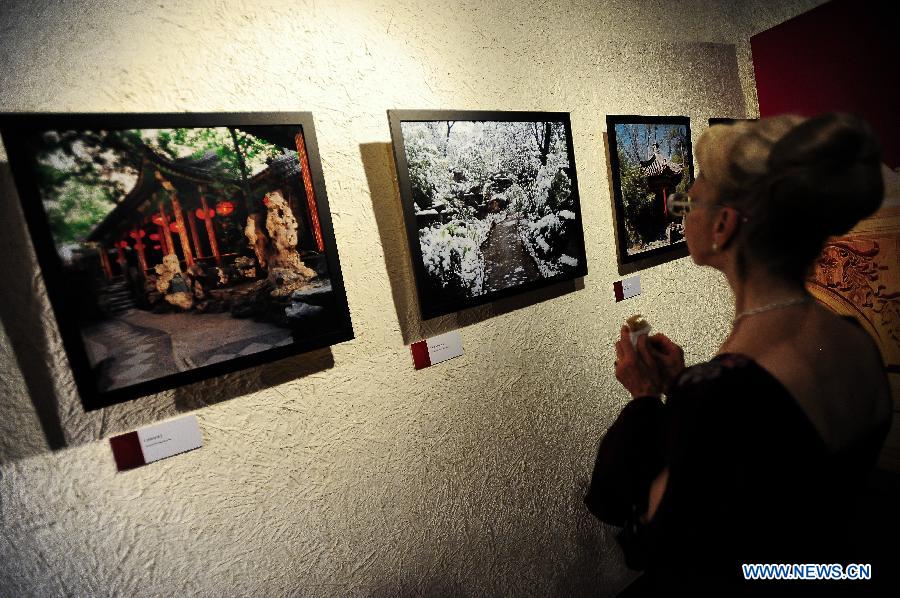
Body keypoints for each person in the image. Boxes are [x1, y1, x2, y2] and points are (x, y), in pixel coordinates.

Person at [585, 113, 893, 596]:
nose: (682, 207)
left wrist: (647, 398)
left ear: (723, 226)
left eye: (695, 197)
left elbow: (655, 542)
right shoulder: (853, 336)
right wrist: (682, 388)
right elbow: (772, 460)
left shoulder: (724, 392)